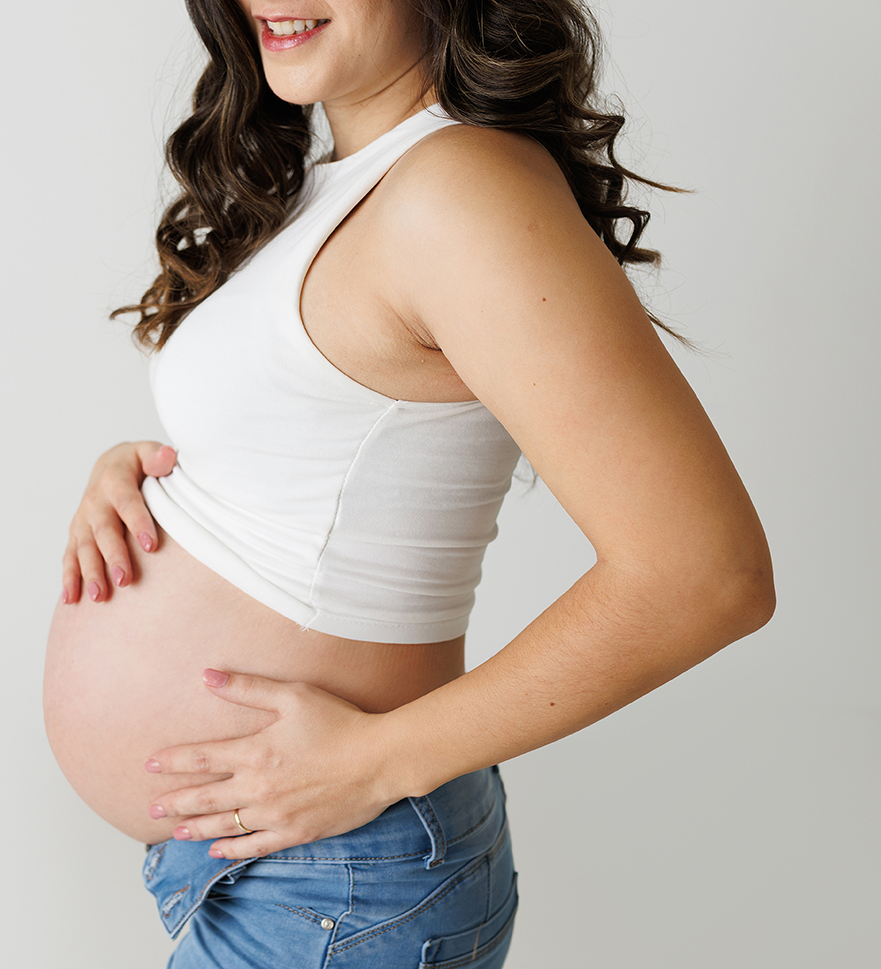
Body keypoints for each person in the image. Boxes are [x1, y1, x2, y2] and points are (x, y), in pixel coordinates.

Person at [43, 1, 775, 966]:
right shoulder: (344, 182)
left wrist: (373, 760)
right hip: (292, 874)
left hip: (340, 880)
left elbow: (705, 574)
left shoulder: (458, 188)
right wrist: (150, 480)